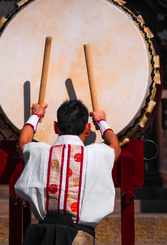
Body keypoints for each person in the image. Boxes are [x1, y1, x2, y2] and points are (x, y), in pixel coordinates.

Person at [15, 99, 121, 245]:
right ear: (87, 129)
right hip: (80, 238)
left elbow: (23, 142)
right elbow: (115, 147)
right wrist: (102, 121)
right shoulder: (98, 154)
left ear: (55, 127)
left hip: (43, 237)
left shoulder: (40, 152)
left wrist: (36, 115)